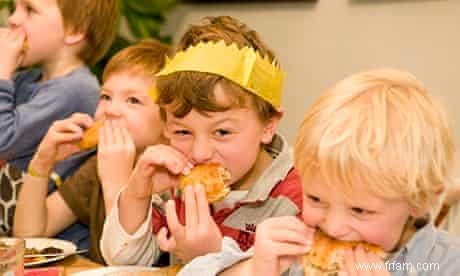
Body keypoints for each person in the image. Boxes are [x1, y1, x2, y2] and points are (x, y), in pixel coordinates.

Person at [100, 16, 303, 269]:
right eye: (183, 133)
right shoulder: (174, 183)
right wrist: (136, 194)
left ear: (268, 125)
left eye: (222, 132)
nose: (200, 153)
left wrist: (211, 258)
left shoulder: (301, 198)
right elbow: (124, 261)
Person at [221, 68, 460, 276]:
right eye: (315, 199)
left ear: (421, 201)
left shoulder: (448, 264)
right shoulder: (295, 252)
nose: (333, 227)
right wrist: (254, 269)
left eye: (359, 210)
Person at [13, 39, 170, 264]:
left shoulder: (167, 178)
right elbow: (29, 235)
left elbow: (131, 266)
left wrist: (117, 181)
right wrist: (42, 162)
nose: (112, 110)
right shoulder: (96, 166)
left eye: (133, 100)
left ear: (169, 123)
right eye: (106, 96)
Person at [0, 0, 119, 244]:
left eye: (29, 9)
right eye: (15, 8)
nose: (12, 19)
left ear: (74, 30)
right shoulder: (26, 80)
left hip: (54, 249)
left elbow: (3, 140)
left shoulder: (74, 90)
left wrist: (1, 73)